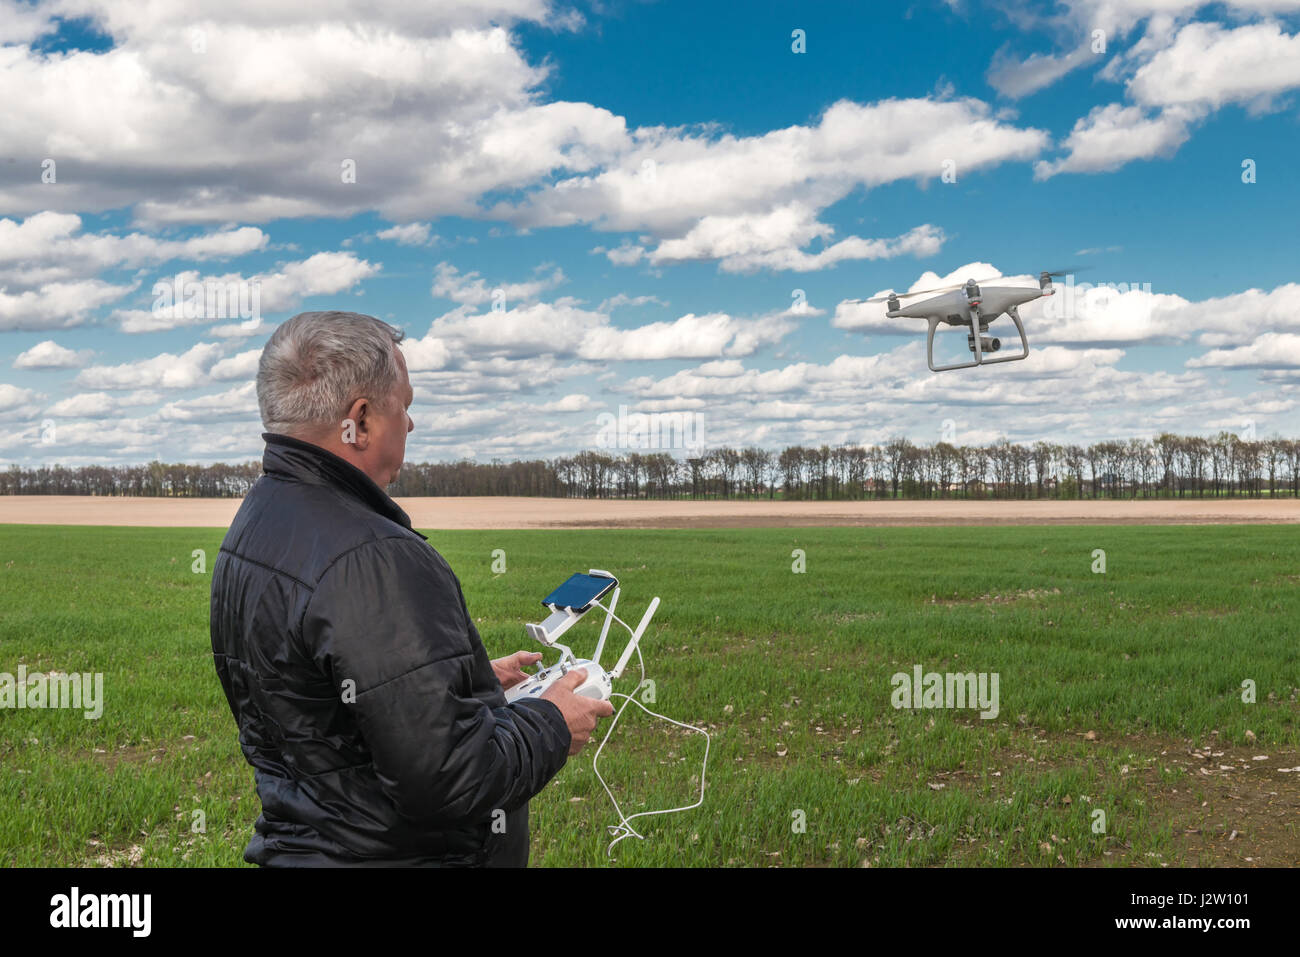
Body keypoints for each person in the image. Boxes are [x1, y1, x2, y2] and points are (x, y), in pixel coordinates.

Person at [209, 310, 613, 866]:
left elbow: (311, 701)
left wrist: (444, 681)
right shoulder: (374, 556)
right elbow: (447, 781)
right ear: (362, 419)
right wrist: (549, 723)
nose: (412, 425)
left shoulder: (255, 526)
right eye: (406, 405)